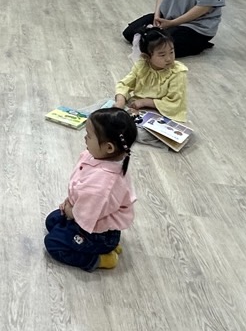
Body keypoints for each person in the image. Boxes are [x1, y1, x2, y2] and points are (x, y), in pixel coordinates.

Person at [43, 108, 136, 272]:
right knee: (52, 221)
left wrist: (70, 210)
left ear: (109, 148)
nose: (85, 137)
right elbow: (81, 185)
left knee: (53, 243)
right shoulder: (98, 156)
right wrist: (70, 201)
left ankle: (100, 258)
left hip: (97, 234)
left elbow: (85, 216)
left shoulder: (102, 184)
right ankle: (105, 246)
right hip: (89, 216)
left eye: (89, 135)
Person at [115, 27, 190, 147]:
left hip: (162, 112)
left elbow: (175, 102)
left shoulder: (177, 72)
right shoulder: (142, 65)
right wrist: (120, 102)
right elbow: (124, 84)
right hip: (137, 108)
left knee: (142, 133)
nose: (169, 58)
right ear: (146, 57)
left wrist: (146, 102)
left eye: (171, 52)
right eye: (162, 55)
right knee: (106, 114)